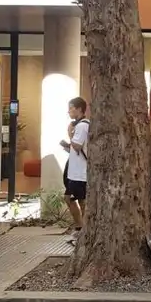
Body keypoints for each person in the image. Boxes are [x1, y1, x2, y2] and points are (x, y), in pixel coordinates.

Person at [60, 96, 89, 244]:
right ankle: (80, 228)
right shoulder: (79, 126)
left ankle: (84, 231)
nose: (69, 111)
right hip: (75, 171)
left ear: (79, 109)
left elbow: (77, 145)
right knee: (69, 198)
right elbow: (75, 148)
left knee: (82, 201)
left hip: (80, 173)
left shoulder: (82, 126)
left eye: (71, 108)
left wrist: (70, 133)